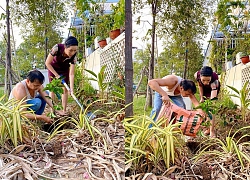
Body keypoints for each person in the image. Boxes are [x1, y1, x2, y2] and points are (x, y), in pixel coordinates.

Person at [45, 36, 78, 115]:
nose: (72, 53)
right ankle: (52, 111)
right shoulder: (57, 48)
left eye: (75, 50)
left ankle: (64, 111)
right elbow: (47, 63)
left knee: (65, 89)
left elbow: (72, 73)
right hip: (53, 68)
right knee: (52, 89)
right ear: (65, 47)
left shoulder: (74, 57)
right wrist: (56, 75)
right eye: (70, 50)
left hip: (64, 70)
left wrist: (72, 89)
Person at [194, 66, 220, 138]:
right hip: (204, 90)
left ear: (211, 77)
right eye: (203, 80)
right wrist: (201, 97)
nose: (205, 82)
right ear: (200, 76)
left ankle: (211, 131)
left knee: (211, 109)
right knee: (205, 108)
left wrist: (211, 103)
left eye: (208, 80)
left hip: (213, 88)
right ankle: (207, 128)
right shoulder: (196, 75)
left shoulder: (215, 79)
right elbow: (200, 86)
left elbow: (213, 98)